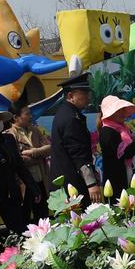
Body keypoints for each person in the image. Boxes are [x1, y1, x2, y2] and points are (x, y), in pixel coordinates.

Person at [0, 106, 40, 263]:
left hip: (10, 194)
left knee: (20, 231)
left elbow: (20, 166)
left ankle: (27, 265)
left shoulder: (8, 140)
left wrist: (33, 187)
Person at [50, 73, 101, 204]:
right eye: (84, 93)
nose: (88, 97)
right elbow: (78, 154)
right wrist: (91, 184)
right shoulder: (71, 118)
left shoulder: (66, 113)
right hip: (72, 184)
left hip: (68, 182)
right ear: (71, 96)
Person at [99, 95, 135, 196]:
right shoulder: (107, 132)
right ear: (109, 114)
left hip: (129, 177)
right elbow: (127, 154)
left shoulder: (124, 129)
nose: (122, 113)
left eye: (122, 109)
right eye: (118, 110)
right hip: (117, 183)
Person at [8, 102, 51, 222]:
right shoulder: (10, 134)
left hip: (40, 180)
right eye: (27, 114)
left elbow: (49, 148)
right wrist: (39, 157)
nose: (31, 116)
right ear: (16, 117)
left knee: (42, 216)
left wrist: (32, 152)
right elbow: (18, 161)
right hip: (24, 184)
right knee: (24, 217)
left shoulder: (35, 131)